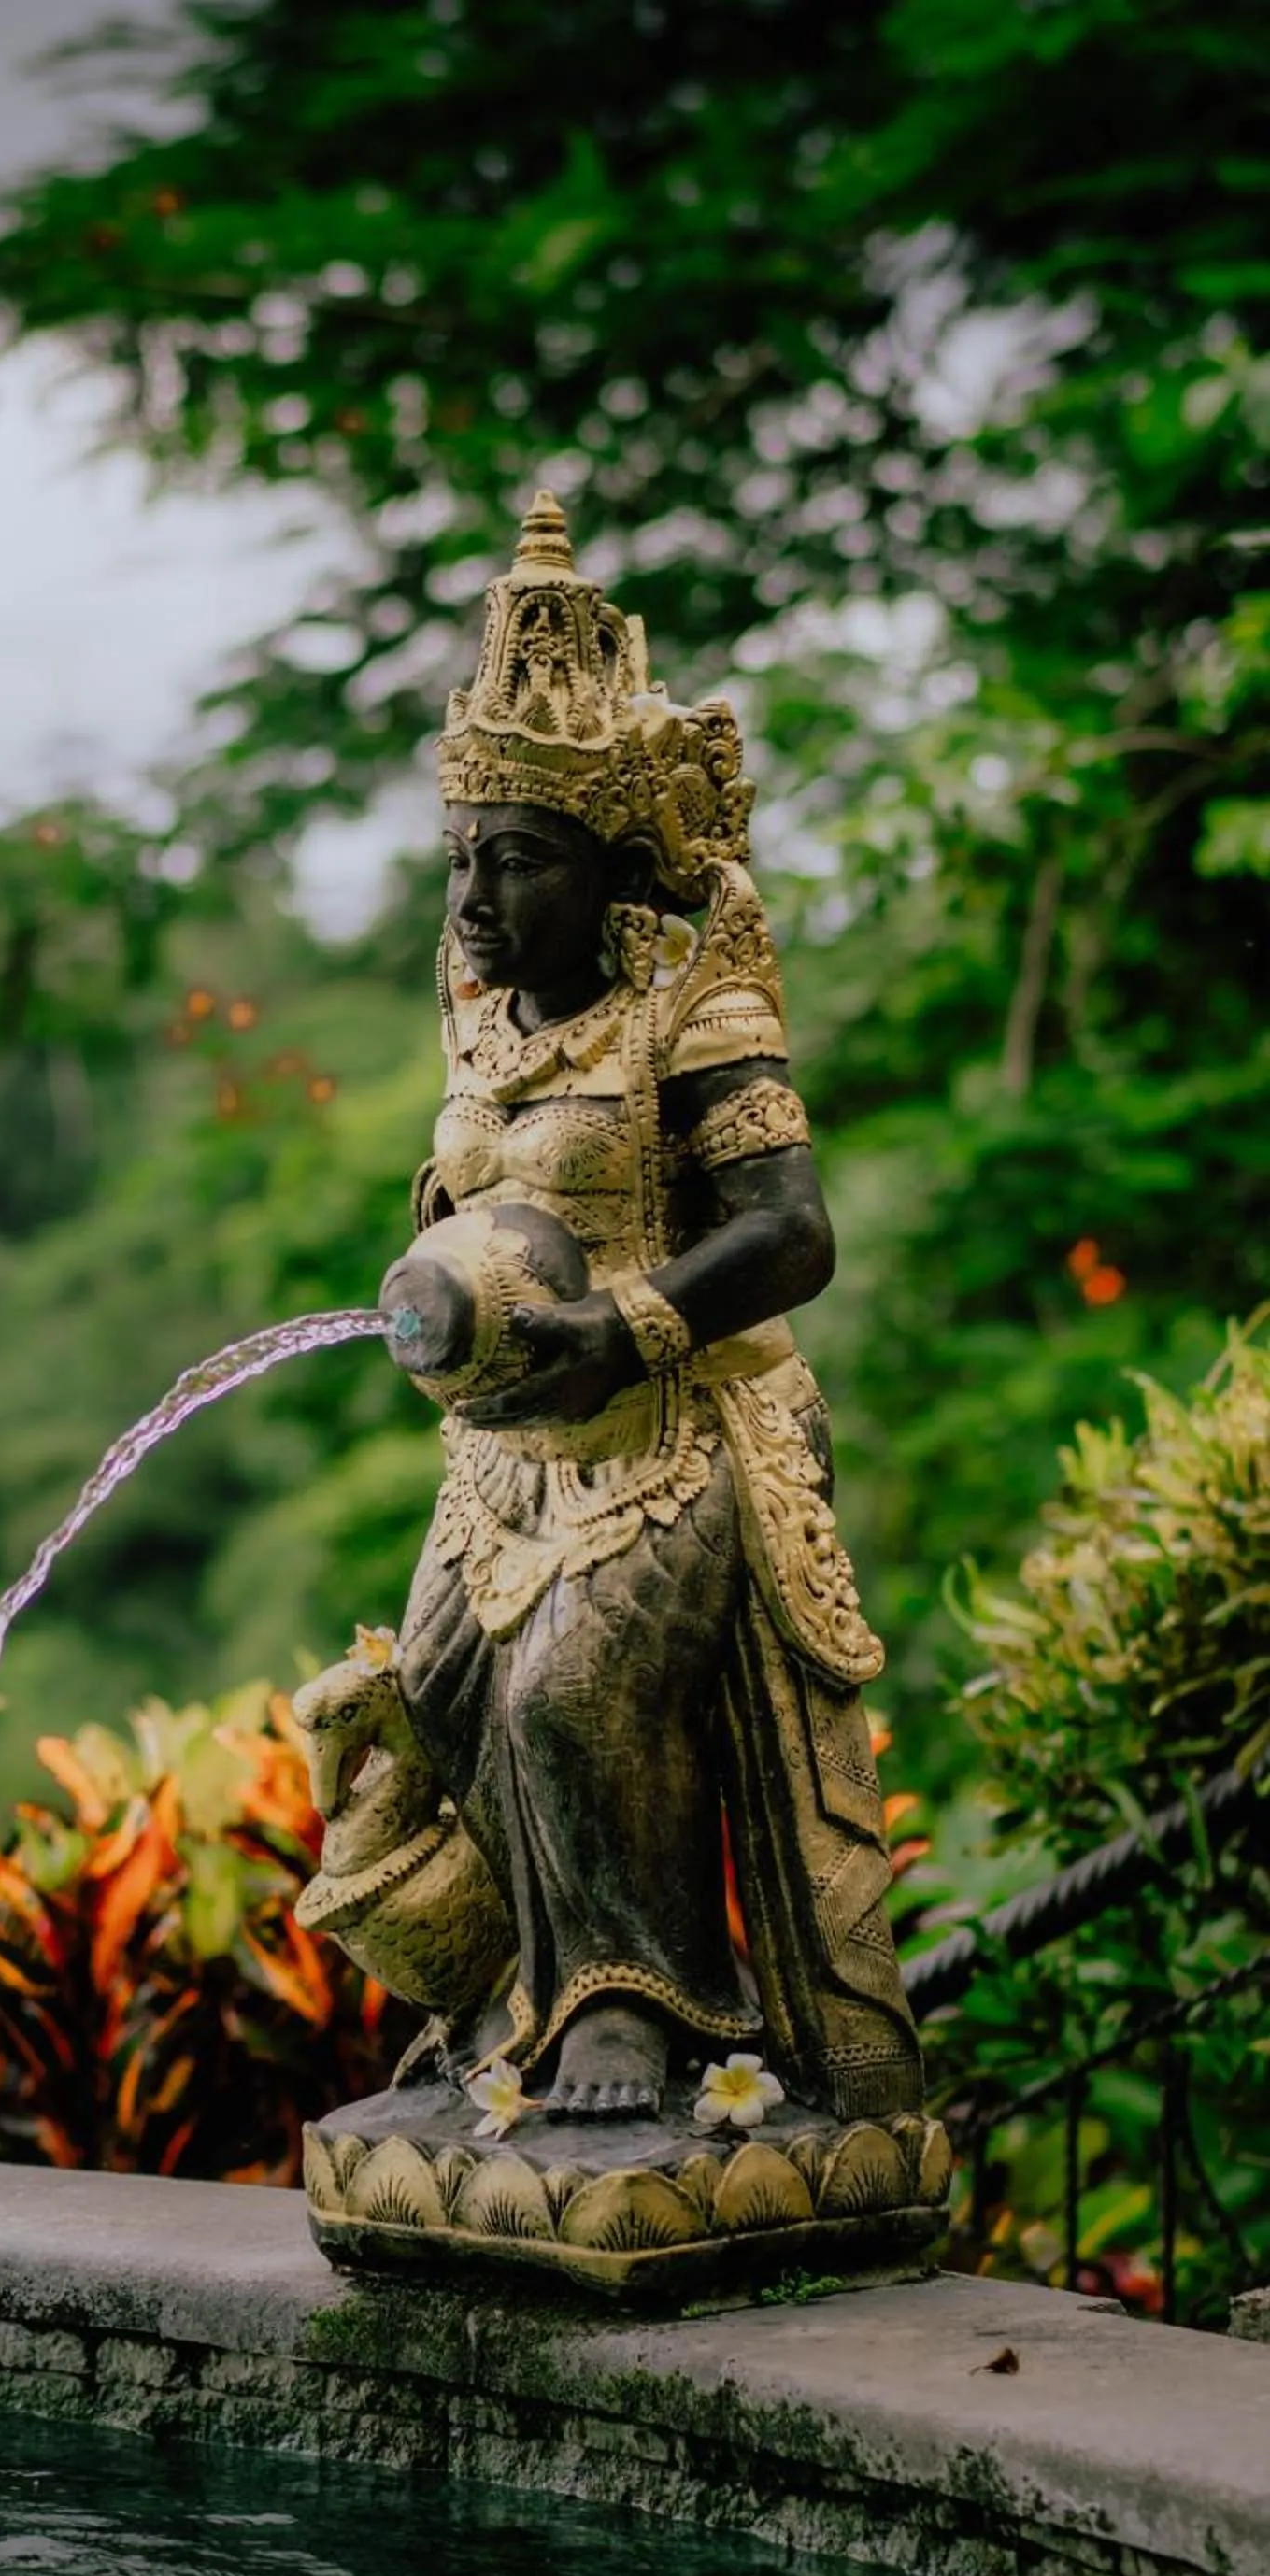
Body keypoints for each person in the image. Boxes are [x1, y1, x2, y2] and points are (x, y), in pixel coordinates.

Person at [387, 491, 923, 2127]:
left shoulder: (696, 1004)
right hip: (515, 1441)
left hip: (682, 1419)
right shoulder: (478, 1019)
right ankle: (508, 1997)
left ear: (617, 868)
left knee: (572, 1692)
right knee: (435, 1692)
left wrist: (626, 1326)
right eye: (463, 859)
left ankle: (645, 2003)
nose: (478, 901)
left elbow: (792, 1234)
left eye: (520, 861)